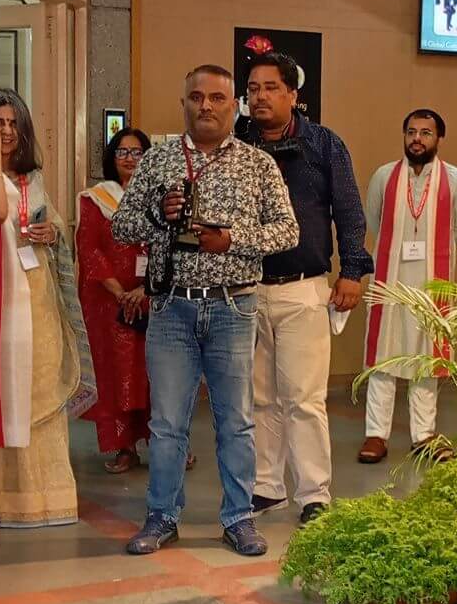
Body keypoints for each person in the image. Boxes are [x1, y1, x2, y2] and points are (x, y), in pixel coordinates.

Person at [112, 64, 298, 557]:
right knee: (167, 423)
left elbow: (288, 232)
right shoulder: (157, 162)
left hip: (233, 308)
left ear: (232, 105)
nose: (206, 106)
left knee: (235, 421)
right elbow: (122, 228)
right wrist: (159, 213)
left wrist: (233, 240)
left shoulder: (258, 165)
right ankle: (161, 517)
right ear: (184, 103)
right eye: (197, 97)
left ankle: (238, 518)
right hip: (171, 308)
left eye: (217, 98)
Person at [0, 89, 95, 526]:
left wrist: (52, 233)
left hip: (38, 295)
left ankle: (48, 497)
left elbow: (51, 223)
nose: (6, 131)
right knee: (2, 387)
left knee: (40, 384)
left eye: (13, 124)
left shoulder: (33, 176)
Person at [241, 52, 372, 524]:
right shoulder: (238, 144)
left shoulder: (323, 144)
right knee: (259, 397)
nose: (260, 96)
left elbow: (350, 212)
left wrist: (352, 271)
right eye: (253, 88)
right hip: (247, 289)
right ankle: (266, 486)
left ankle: (314, 493)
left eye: (271, 87)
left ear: (293, 95)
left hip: (305, 289)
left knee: (303, 397)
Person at [359, 109, 457, 463]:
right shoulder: (384, 176)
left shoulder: (456, 180)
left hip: (431, 284)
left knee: (427, 357)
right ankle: (376, 435)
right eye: (411, 131)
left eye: (426, 132)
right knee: (384, 358)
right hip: (390, 280)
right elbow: (374, 219)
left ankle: (423, 436)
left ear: (439, 138)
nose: (417, 139)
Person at [77, 126, 154, 472]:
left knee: (158, 376)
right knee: (118, 375)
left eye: (137, 152)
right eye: (122, 152)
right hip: (112, 304)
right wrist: (120, 292)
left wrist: (147, 288)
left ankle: (171, 446)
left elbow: (171, 248)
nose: (129, 159)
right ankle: (124, 446)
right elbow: (89, 249)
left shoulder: (162, 197)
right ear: (112, 157)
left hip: (155, 299)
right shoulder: (95, 199)